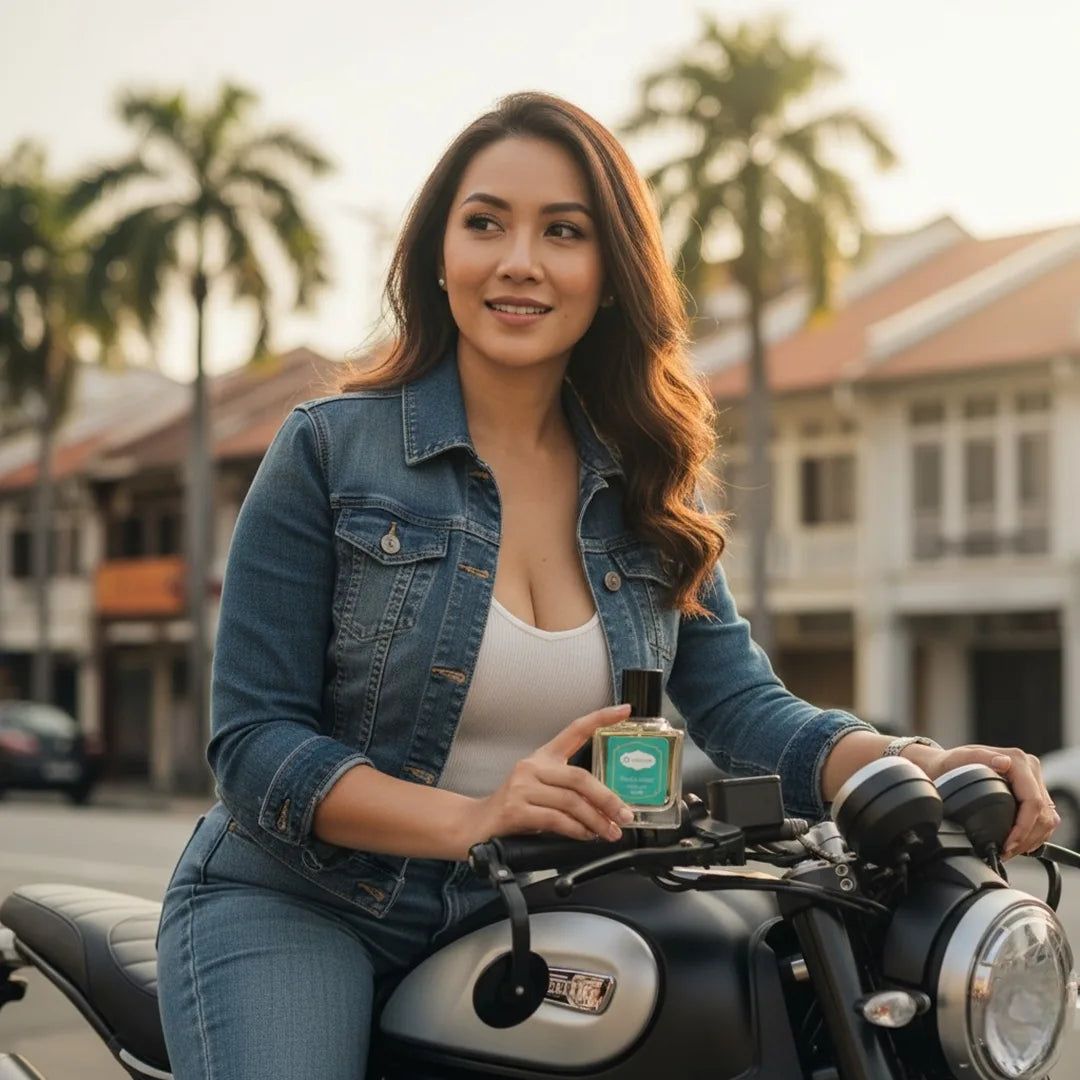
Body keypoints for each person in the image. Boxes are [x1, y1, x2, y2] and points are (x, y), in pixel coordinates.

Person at [156, 91, 1059, 1080]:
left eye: (564, 232)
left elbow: (746, 707)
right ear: (438, 255)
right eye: (486, 223)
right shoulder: (328, 451)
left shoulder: (644, 484)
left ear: (610, 273)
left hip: (539, 907)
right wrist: (471, 818)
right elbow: (253, 744)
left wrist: (910, 763)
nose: (520, 261)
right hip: (305, 902)